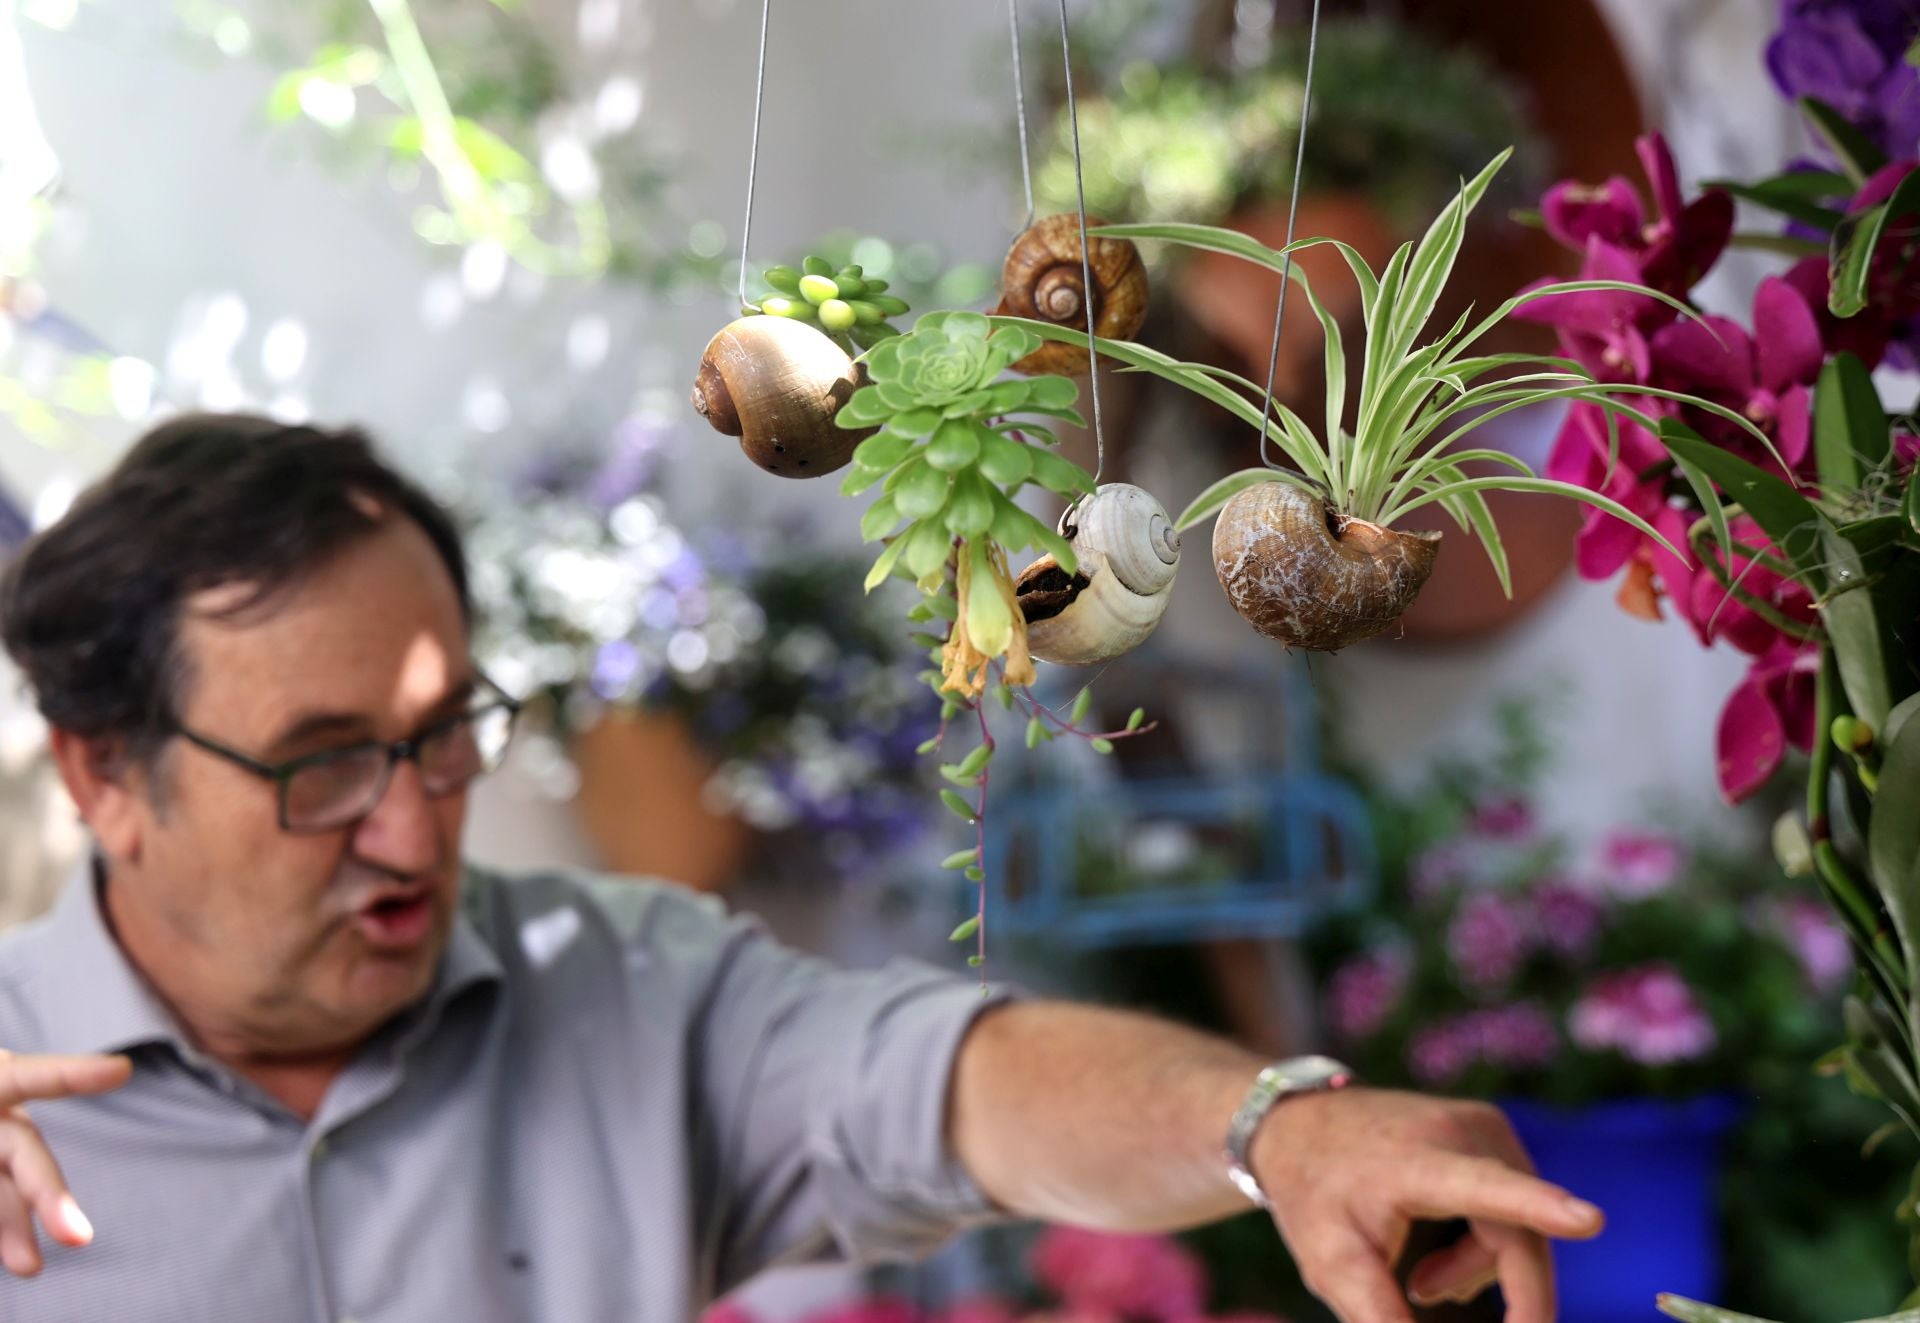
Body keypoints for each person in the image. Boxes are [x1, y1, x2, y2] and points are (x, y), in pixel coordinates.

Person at [0, 414, 1602, 1323]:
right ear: (105, 776)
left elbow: (954, 1084)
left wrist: (1272, 1127)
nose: (418, 828)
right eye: (326, 764)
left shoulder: (620, 991)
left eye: (445, 736)